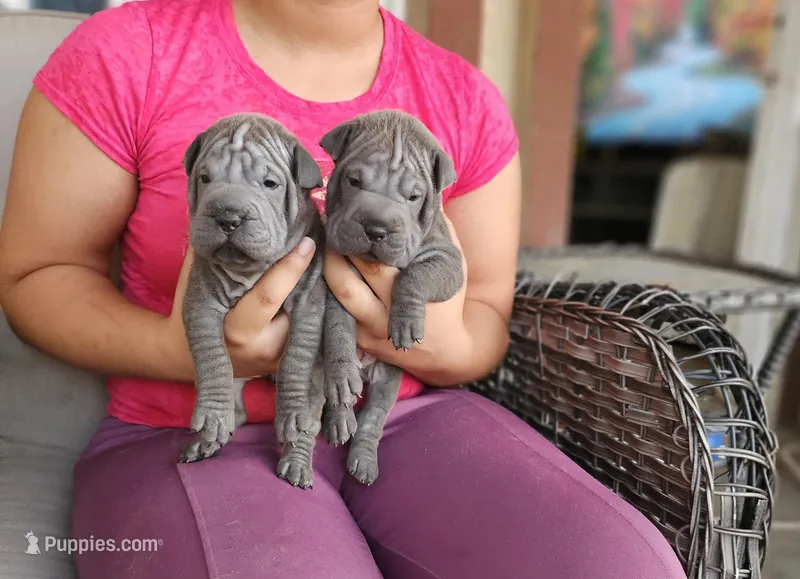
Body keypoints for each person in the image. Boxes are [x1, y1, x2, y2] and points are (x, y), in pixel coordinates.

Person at [0, 1, 687, 578]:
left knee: (620, 563)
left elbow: (484, 319)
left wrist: (436, 341)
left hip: (406, 416)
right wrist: (188, 349)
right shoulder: (129, 50)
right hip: (189, 429)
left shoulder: (462, 98)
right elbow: (36, 275)